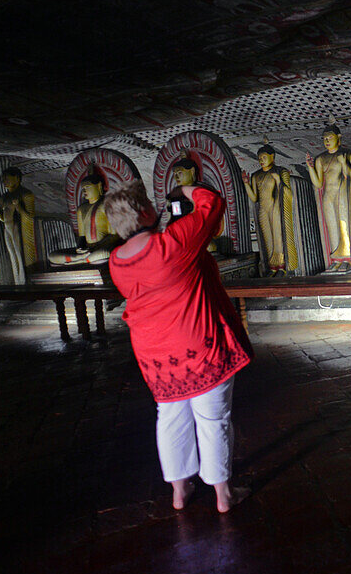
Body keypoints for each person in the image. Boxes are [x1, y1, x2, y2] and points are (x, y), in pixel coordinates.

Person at [106, 180, 253, 513]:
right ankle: (222, 496)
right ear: (144, 211)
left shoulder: (116, 262)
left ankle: (179, 491)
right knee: (212, 420)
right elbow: (212, 204)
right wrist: (183, 189)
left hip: (154, 355)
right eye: (147, 202)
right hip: (198, 346)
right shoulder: (172, 243)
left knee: (171, 417)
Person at [306, 120, 351, 271]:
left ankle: (348, 258)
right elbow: (318, 184)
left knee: (344, 224)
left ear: (339, 137)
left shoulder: (348, 154)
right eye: (325, 139)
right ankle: (336, 258)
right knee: (332, 227)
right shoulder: (320, 159)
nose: (327, 141)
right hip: (328, 195)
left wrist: (344, 163)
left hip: (343, 194)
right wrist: (310, 168)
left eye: (330, 137)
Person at [242, 140, 297, 276]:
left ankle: (282, 267)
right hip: (263, 210)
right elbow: (254, 198)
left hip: (276, 209)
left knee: (278, 237)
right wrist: (246, 184)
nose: (261, 160)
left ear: (273, 157)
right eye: (259, 158)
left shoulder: (280, 171)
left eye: (264, 157)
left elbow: (287, 193)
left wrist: (278, 180)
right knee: (267, 240)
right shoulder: (256, 175)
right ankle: (272, 267)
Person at [0, 167, 36, 284]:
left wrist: (18, 207)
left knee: (20, 255)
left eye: (7, 178)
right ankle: (18, 282)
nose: (4, 181)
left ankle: (25, 283)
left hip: (18, 227)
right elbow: (3, 218)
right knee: (13, 256)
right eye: (3, 179)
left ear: (17, 178)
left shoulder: (25, 194)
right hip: (7, 228)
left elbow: (30, 217)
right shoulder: (4, 197)